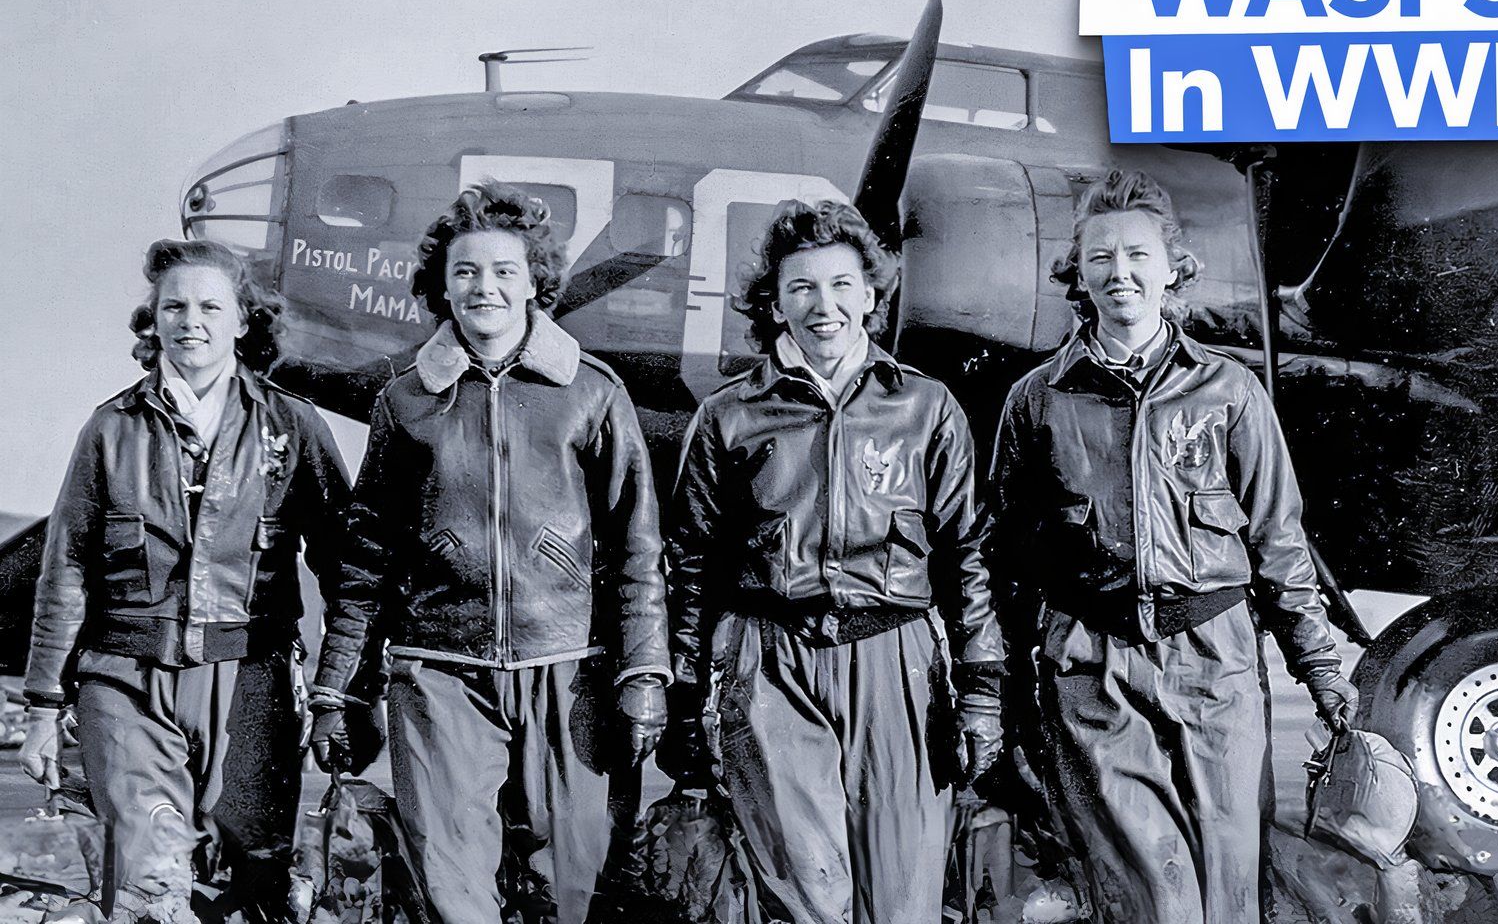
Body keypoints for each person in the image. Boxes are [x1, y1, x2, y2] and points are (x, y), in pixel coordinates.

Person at [984, 169, 1358, 924]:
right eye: (1100, 259)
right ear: (1078, 275)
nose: (1119, 273)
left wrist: (1322, 672)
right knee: (1155, 898)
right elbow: (1005, 562)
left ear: (1172, 268)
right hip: (1092, 666)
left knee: (1230, 896)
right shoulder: (1036, 401)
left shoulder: (1230, 393)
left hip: (1215, 661)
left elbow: (1279, 540)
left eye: (1137, 255)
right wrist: (1002, 695)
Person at [310, 181, 671, 924]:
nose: (486, 287)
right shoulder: (405, 401)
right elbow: (365, 560)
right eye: (467, 271)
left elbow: (637, 548)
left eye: (505, 270)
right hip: (438, 676)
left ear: (535, 280)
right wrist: (336, 690)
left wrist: (644, 672)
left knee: (565, 893)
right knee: (450, 888)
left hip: (565, 671)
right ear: (441, 286)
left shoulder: (593, 393)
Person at [664, 199, 1004, 924]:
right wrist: (687, 696)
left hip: (896, 658)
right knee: (806, 896)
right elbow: (691, 565)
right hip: (770, 662)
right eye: (802, 288)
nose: (825, 306)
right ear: (775, 304)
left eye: (842, 285)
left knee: (903, 896)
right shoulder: (729, 416)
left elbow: (967, 554)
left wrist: (980, 689)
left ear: (872, 297)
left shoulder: (925, 407)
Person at [19, 239, 351, 924]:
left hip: (251, 683)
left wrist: (339, 693)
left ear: (242, 320)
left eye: (209, 305)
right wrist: (43, 708)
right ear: (153, 320)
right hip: (124, 680)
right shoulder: (110, 429)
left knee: (252, 880)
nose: (189, 320)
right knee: (148, 877)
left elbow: (346, 569)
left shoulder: (292, 426)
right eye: (173, 306)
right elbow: (65, 572)